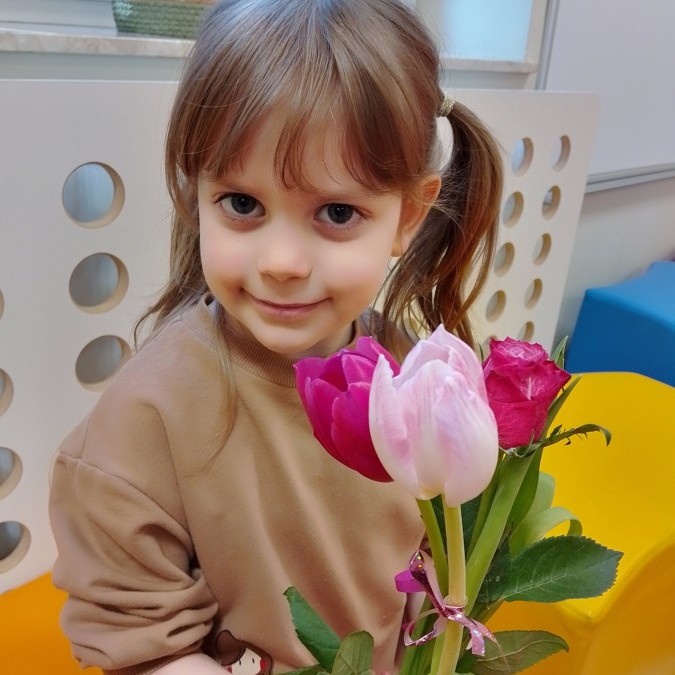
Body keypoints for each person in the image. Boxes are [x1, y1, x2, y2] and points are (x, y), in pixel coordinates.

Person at [49, 1, 503, 673]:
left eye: (337, 212)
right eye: (242, 204)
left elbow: (427, 562)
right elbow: (138, 640)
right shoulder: (146, 418)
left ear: (407, 217)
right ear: (196, 194)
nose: (282, 262)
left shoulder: (410, 370)